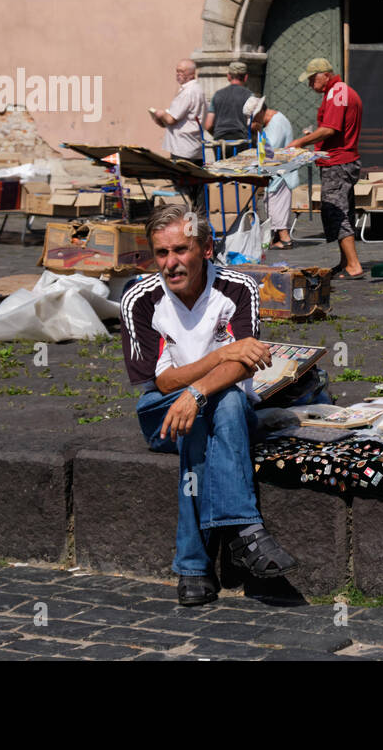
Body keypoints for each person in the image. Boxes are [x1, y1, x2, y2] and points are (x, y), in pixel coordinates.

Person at [120, 203, 300, 606]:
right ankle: (246, 532)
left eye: (181, 250)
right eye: (162, 253)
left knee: (221, 409)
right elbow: (163, 380)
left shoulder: (238, 288)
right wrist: (222, 355)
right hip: (160, 410)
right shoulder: (141, 299)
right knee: (222, 407)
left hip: (211, 406)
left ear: (206, 248)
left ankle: (193, 568)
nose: (171, 263)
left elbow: (245, 364)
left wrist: (197, 393)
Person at [286, 58, 364, 279]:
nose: (311, 84)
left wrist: (301, 142)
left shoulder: (337, 93)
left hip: (338, 162)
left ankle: (354, 265)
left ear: (325, 75)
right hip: (341, 160)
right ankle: (346, 262)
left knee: (336, 211)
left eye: (313, 79)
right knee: (343, 210)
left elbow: (330, 129)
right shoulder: (340, 92)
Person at [253, 101, 297, 249]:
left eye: (254, 118)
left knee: (275, 204)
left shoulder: (276, 123)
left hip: (280, 173)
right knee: (273, 203)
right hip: (276, 172)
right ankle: (279, 236)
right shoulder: (274, 121)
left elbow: (271, 151)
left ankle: (285, 238)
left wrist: (259, 130)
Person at [148, 59, 206, 166]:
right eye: (177, 71)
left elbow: (171, 119)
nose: (178, 74)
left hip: (184, 148)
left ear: (192, 74)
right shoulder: (193, 89)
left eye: (182, 72)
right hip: (188, 147)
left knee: (184, 180)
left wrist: (161, 114)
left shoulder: (189, 92)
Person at [205, 61, 258, 152]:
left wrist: (219, 134)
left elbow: (208, 125)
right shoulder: (250, 96)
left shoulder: (217, 95)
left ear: (228, 76)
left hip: (220, 144)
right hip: (241, 143)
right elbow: (253, 125)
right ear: (245, 77)